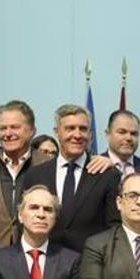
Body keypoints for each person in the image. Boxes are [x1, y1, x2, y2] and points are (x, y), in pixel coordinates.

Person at [23, 104, 121, 252]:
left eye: (83, 129)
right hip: (46, 264)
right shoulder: (35, 175)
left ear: (90, 134)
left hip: (91, 264)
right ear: (57, 132)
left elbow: (115, 228)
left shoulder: (107, 175)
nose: (77, 135)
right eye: (70, 128)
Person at [0, 101, 57, 249]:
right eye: (3, 128)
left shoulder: (51, 166)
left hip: (40, 259)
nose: (8, 134)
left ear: (32, 130)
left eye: (15, 127)